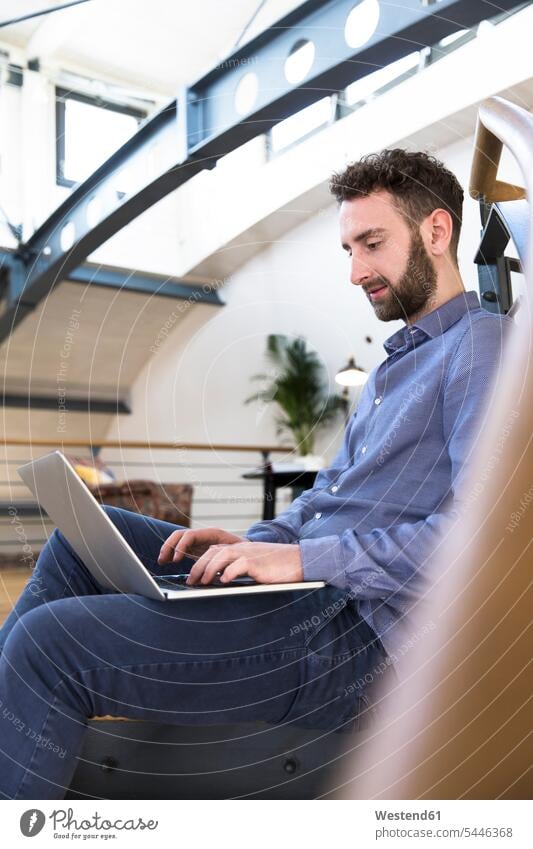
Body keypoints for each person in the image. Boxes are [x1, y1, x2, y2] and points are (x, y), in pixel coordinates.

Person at [0, 149, 512, 799]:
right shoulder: (393, 368)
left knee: (51, 644)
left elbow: (482, 543)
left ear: (436, 232)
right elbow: (330, 495)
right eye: (348, 248)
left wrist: (301, 560)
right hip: (311, 593)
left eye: (371, 243)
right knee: (78, 540)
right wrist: (259, 544)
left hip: (355, 636)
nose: (355, 270)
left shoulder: (482, 346)